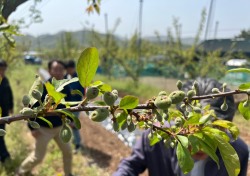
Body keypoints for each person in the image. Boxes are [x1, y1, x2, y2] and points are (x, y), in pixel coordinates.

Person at [113, 77, 249, 176]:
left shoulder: (237, 152)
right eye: (193, 131)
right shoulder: (157, 136)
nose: (199, 146)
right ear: (179, 120)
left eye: (210, 134)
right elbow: (130, 166)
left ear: (225, 127)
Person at [16, 60, 74, 176]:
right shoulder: (42, 88)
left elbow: (70, 105)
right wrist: (32, 128)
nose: (58, 72)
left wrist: (71, 120)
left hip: (60, 128)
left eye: (61, 70)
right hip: (44, 129)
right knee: (38, 157)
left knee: (68, 152)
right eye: (55, 69)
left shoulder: (65, 87)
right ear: (49, 71)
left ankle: (68, 174)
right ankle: (21, 171)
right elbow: (31, 108)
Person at [65, 60, 85, 153]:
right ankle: (75, 140)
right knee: (69, 123)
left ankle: (78, 144)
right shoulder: (66, 77)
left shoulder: (79, 78)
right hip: (67, 105)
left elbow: (83, 92)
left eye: (68, 69)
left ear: (72, 68)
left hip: (76, 105)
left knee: (73, 124)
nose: (67, 70)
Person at [0, 60, 13, 163]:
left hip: (4, 113)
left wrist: (11, 106)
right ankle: (5, 156)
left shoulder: (5, 80)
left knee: (1, 134)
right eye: (1, 69)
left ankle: (4, 156)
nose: (2, 71)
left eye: (4, 69)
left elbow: (10, 94)